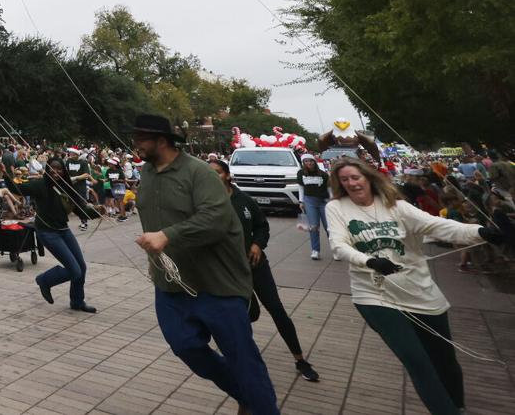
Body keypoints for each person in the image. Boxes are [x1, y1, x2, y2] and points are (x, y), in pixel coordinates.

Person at [327, 156, 506, 415]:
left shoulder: (396, 206)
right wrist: (369, 261)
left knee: (444, 359)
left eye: (355, 177)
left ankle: (457, 405)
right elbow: (338, 245)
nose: (352, 183)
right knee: (417, 361)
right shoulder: (336, 207)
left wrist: (479, 232)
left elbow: (436, 225)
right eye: (345, 180)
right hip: (375, 295)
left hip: (418, 290)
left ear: (368, 177)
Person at [131, 114, 278, 415]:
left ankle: (262, 407)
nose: (135, 144)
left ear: (162, 140)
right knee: (186, 347)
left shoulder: (199, 173)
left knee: (242, 359)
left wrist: (167, 236)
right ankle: (244, 395)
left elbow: (218, 219)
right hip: (171, 285)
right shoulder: (145, 173)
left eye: (141, 138)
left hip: (218, 286)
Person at [208, 158, 319, 382]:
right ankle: (242, 361)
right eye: (209, 174)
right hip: (228, 271)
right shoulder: (204, 203)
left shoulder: (244, 200)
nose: (213, 178)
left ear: (227, 175)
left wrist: (258, 244)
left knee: (277, 310)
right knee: (240, 315)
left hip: (255, 265)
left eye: (218, 173)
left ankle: (300, 359)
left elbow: (262, 226)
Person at [10, 156, 95, 313]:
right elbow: (18, 189)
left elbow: (80, 209)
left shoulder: (66, 186)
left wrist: (97, 212)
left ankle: (77, 301)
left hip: (63, 230)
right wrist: (6, 173)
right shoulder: (40, 185)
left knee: (81, 267)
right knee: (74, 270)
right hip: (47, 232)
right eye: (52, 168)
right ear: (47, 169)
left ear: (63, 171)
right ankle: (44, 281)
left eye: (59, 169)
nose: (55, 172)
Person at [296, 153, 334, 260]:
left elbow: (329, 189)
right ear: (303, 163)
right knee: (313, 227)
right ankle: (315, 250)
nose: (309, 163)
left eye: (311, 161)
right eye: (306, 161)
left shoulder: (323, 174)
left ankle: (336, 249)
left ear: (314, 162)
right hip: (309, 201)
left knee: (329, 227)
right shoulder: (301, 173)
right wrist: (301, 201)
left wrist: (332, 200)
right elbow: (301, 188)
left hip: (324, 201)